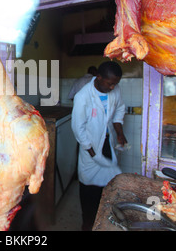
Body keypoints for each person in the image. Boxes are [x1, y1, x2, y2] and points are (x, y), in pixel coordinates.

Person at [71, 61, 126, 231]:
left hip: (106, 142)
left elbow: (119, 109)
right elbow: (78, 127)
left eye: (115, 84)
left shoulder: (114, 90)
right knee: (88, 186)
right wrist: (91, 151)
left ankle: (104, 218)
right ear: (99, 77)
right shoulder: (83, 96)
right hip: (90, 146)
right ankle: (87, 222)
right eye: (110, 83)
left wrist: (119, 132)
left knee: (107, 182)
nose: (112, 87)